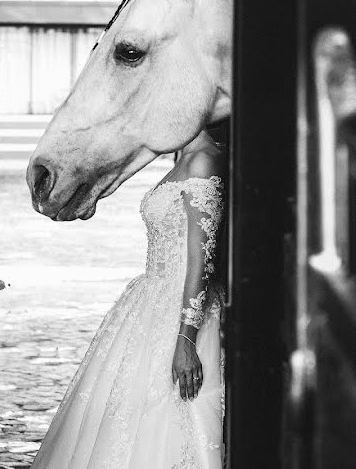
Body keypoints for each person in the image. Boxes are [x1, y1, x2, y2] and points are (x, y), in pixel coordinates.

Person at [31, 128, 227, 468]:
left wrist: (186, 337)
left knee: (171, 419)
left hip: (179, 313)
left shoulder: (204, 161)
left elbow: (202, 258)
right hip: (150, 303)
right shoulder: (186, 157)